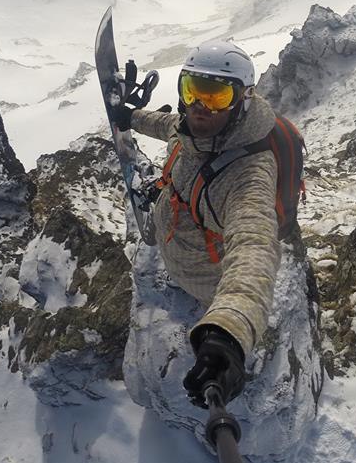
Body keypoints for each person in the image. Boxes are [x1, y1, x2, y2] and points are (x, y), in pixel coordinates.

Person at [108, 40, 280, 408]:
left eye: (216, 96)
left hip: (207, 280)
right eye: (192, 90)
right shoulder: (195, 128)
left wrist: (230, 329)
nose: (200, 106)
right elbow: (169, 124)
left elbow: (254, 246)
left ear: (243, 99)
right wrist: (131, 119)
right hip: (176, 251)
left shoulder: (249, 173)